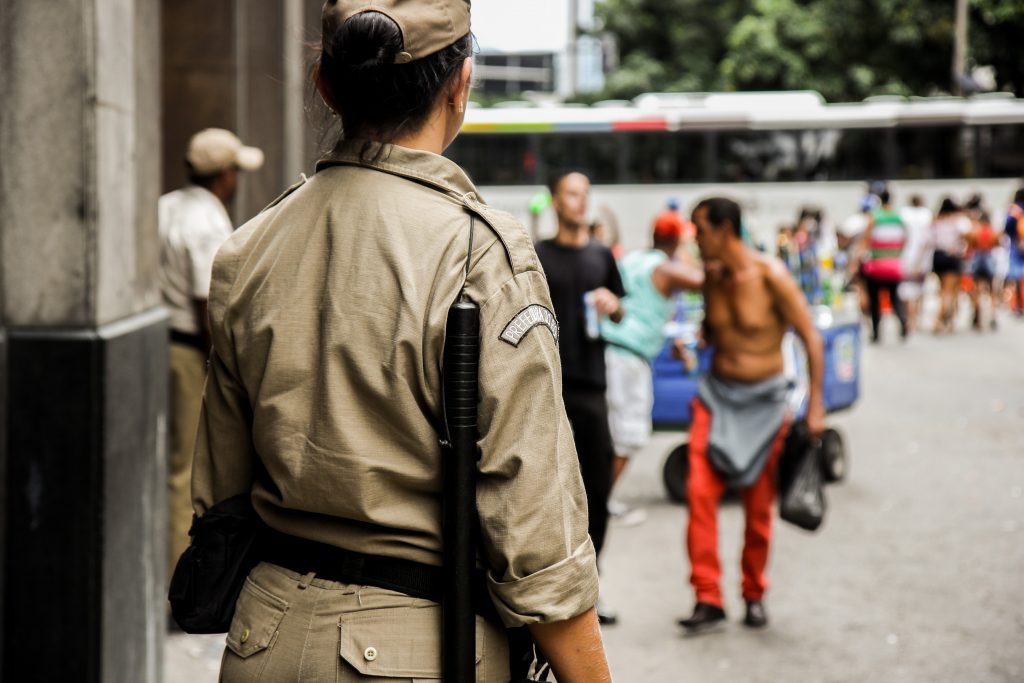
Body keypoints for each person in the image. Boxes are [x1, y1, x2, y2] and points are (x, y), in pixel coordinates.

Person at [190, 3, 612, 681]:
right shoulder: (479, 250)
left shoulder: (248, 248)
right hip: (420, 648)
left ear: (326, 86)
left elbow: (219, 491)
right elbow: (537, 538)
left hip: (262, 639)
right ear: (461, 85)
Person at [679, 197, 824, 633]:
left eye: (700, 230)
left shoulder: (771, 275)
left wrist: (816, 406)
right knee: (699, 494)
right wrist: (696, 342)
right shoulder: (712, 277)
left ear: (725, 230)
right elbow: (714, 331)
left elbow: (811, 339)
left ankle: (754, 593)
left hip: (765, 404)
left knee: (758, 506)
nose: (695, 238)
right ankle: (708, 597)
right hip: (717, 397)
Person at [159, 127, 264, 591]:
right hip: (188, 351)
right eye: (236, 171)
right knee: (186, 471)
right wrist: (220, 368)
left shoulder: (166, 205)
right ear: (224, 174)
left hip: (163, 344)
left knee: (172, 462)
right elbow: (209, 304)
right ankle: (180, 583)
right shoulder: (206, 221)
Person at [535, 170, 626, 626]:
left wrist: (614, 304)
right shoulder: (537, 255)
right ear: (555, 200)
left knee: (597, 486)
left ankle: (593, 582)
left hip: (591, 384)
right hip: (547, 386)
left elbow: (622, 309)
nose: (581, 201)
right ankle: (546, 586)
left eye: (585, 193)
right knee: (544, 487)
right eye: (572, 193)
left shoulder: (600, 255)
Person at [601, 214, 704, 523]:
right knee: (628, 434)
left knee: (612, 434)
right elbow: (703, 282)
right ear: (676, 241)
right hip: (628, 358)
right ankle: (599, 505)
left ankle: (597, 502)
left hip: (611, 351)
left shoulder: (634, 259)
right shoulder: (664, 266)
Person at [857, 189, 908, 343]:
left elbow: (866, 239)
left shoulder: (875, 217)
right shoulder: (898, 217)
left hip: (876, 265)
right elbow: (905, 239)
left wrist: (859, 258)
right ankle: (902, 321)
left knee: (875, 301)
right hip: (893, 264)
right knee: (894, 298)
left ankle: (876, 333)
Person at [930, 197, 971, 334]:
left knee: (943, 289)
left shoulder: (936, 220)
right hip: (952, 256)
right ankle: (939, 320)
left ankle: (949, 319)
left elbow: (929, 239)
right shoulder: (958, 220)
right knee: (949, 291)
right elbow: (968, 235)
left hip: (938, 256)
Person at [898, 194, 934, 333]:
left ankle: (909, 317)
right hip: (923, 256)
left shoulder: (904, 214)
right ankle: (915, 318)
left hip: (906, 255)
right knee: (919, 289)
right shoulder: (927, 215)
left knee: (906, 290)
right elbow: (928, 240)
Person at [966, 211, 1000, 330]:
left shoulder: (975, 231)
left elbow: (970, 244)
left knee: (977, 289)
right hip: (989, 258)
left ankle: (978, 315)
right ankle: (993, 315)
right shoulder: (994, 232)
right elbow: (998, 244)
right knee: (992, 290)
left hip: (978, 258)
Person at [1004, 188, 1024, 318]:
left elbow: (1007, 228)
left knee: (1017, 275)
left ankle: (1018, 304)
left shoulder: (1014, 209)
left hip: (1016, 246)